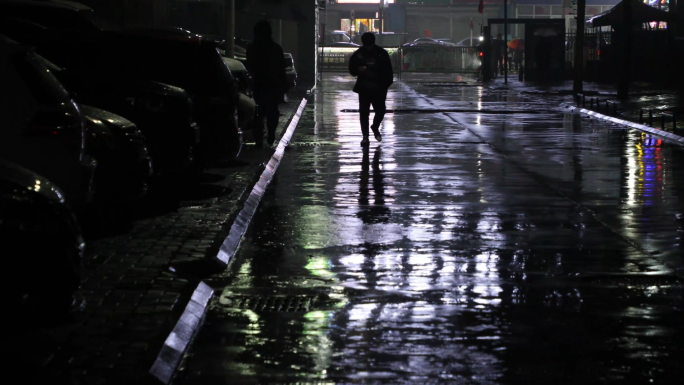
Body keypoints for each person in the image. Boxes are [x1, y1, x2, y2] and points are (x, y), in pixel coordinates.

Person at [246, 20, 287, 146]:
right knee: (272, 112)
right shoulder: (276, 48)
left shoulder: (252, 48)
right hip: (272, 85)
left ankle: (259, 140)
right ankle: (270, 135)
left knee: (258, 114)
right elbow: (281, 69)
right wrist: (283, 87)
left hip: (258, 85)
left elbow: (250, 67)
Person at [349, 32, 394, 146]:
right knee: (364, 113)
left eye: (370, 45)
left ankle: (374, 126)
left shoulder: (381, 54)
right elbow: (352, 69)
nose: (368, 48)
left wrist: (384, 86)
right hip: (364, 88)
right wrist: (358, 70)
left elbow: (388, 72)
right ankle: (365, 136)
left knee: (380, 111)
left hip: (378, 88)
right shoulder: (359, 54)